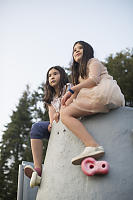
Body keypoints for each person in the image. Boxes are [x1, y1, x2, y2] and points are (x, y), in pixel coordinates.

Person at [60, 41, 125, 165]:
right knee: (64, 112)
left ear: (88, 50)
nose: (77, 51)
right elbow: (75, 94)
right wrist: (65, 103)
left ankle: (92, 145)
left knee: (66, 114)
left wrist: (72, 89)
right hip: (100, 97)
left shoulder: (93, 62)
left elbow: (94, 80)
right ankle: (91, 145)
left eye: (80, 48)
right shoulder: (79, 74)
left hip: (103, 93)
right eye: (74, 50)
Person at [24, 66, 71, 187]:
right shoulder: (50, 98)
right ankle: (38, 169)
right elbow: (51, 116)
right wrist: (51, 124)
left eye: (55, 74)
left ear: (62, 75)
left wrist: (60, 113)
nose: (52, 77)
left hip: (69, 119)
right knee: (36, 127)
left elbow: (70, 105)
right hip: (57, 123)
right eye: (49, 76)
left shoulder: (68, 87)